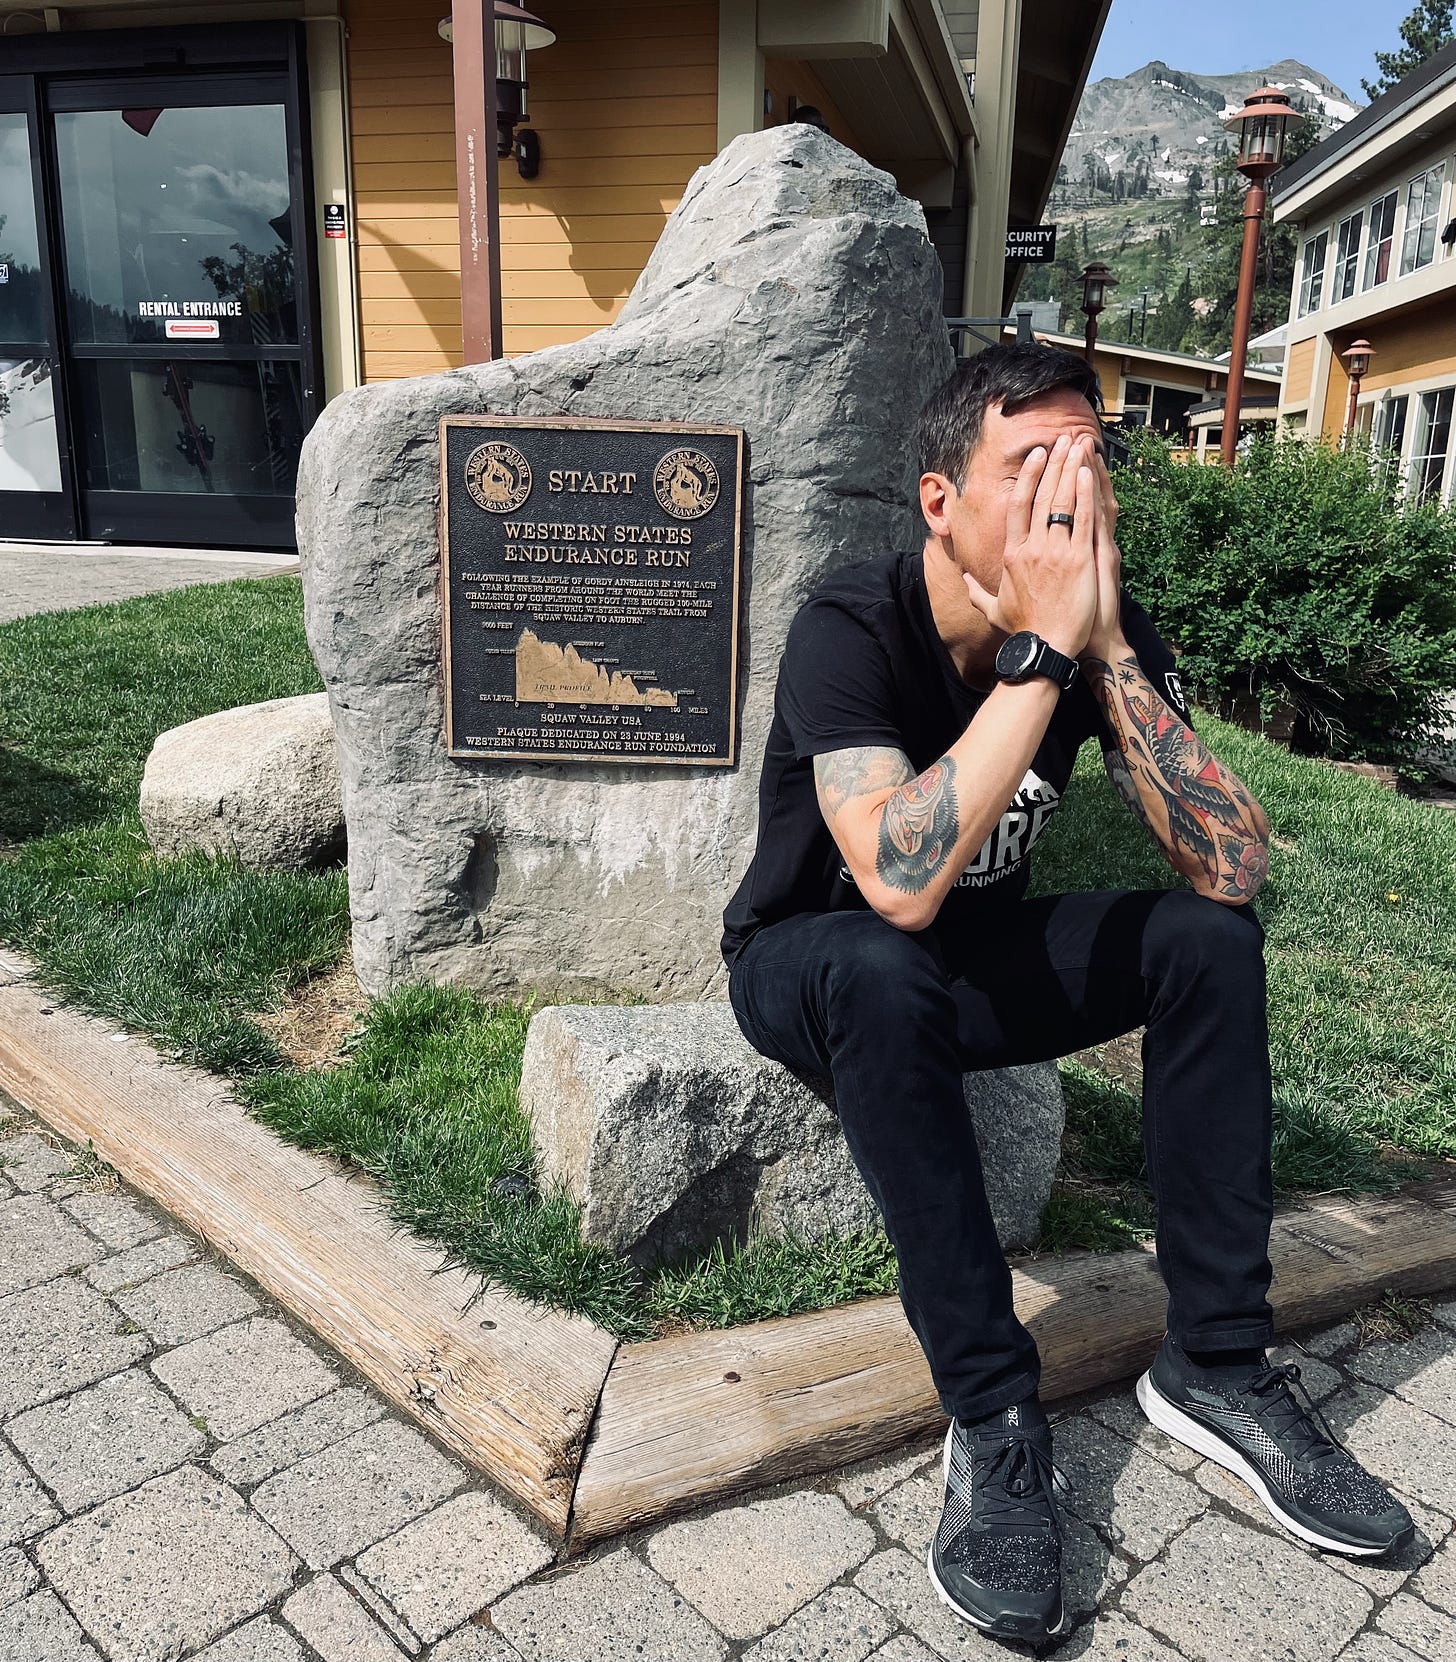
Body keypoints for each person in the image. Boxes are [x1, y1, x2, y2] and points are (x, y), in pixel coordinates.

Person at [720, 343, 1413, 1644]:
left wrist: (1105, 655)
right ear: (942, 501)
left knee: (1207, 941)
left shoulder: (1101, 623)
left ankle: (1215, 1361)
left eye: (1090, 463)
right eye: (1031, 464)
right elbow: (897, 880)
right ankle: (992, 1411)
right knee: (880, 964)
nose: (1070, 494)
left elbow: (1232, 859)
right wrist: (1042, 664)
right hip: (809, 959)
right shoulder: (852, 625)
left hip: (961, 968)